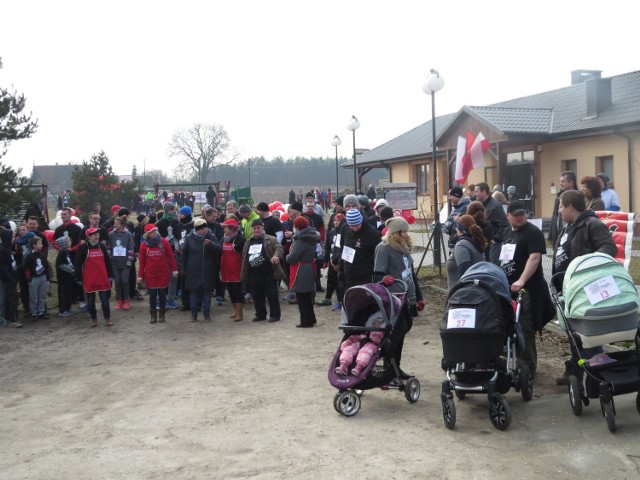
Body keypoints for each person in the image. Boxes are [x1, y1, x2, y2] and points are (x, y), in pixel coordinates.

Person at [551, 189, 618, 384]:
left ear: (571, 207)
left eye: (561, 207)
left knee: (587, 333)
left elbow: (609, 248)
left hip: (585, 289)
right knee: (574, 334)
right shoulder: (569, 226)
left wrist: (584, 266)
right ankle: (578, 369)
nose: (560, 211)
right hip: (569, 290)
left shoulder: (592, 224)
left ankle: (596, 376)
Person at [496, 200, 555, 378]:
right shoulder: (507, 232)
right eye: (516, 214)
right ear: (508, 216)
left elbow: (535, 258)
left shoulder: (533, 233)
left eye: (523, 213)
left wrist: (521, 280)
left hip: (528, 288)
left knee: (525, 326)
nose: (520, 217)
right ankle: (507, 360)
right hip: (507, 287)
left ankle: (527, 368)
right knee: (506, 323)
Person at [372, 217, 424, 379]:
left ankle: (395, 368)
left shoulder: (404, 249)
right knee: (394, 336)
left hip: (408, 297)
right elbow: (378, 275)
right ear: (394, 233)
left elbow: (411, 275)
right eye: (403, 231)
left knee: (402, 333)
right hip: (394, 299)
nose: (406, 234)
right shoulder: (384, 248)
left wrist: (418, 297)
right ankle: (389, 370)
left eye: (407, 231)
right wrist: (385, 279)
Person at [240, 219, 285, 323]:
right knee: (256, 295)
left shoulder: (271, 239)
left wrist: (276, 256)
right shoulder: (248, 241)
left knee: (272, 295)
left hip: (269, 272)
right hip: (253, 274)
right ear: (252, 229)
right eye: (254, 228)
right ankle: (260, 314)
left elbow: (279, 248)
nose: (256, 230)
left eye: (258, 228)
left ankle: (274, 315)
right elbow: (244, 256)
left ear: (262, 228)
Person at [180, 218, 221, 322]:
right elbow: (183, 254)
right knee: (193, 294)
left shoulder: (211, 236)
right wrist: (182, 267)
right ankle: (193, 315)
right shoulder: (189, 238)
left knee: (206, 294)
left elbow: (220, 249)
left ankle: (207, 315)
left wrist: (210, 244)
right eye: (202, 229)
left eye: (205, 228)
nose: (205, 230)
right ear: (197, 230)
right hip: (192, 271)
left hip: (207, 271)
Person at [138, 223, 177, 324]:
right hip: (150, 274)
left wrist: (174, 269)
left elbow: (171, 256)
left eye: (155, 230)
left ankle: (162, 314)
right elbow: (142, 262)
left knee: (162, 295)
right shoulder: (143, 245)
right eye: (152, 232)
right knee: (152, 295)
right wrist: (140, 276)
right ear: (147, 234)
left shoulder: (164, 242)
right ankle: (153, 315)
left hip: (163, 273)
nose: (155, 233)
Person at [286, 215, 321, 328]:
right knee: (307, 297)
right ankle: (311, 318)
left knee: (302, 298)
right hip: (309, 267)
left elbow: (292, 258)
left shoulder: (300, 240)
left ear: (297, 227)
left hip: (301, 270)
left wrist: (287, 256)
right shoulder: (311, 236)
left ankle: (306, 321)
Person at [334, 208, 382, 290]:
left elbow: (379, 255)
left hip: (365, 276)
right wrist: (341, 269)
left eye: (357, 225)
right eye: (352, 226)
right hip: (348, 274)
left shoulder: (372, 234)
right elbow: (342, 248)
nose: (355, 228)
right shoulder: (345, 228)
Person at [76, 228, 114, 327]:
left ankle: (107, 318)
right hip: (89, 278)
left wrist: (110, 275)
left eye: (98, 235)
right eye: (94, 235)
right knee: (91, 301)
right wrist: (79, 278)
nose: (97, 237)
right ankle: (93, 319)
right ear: (88, 237)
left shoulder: (101, 246)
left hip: (102, 277)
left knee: (105, 300)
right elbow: (78, 264)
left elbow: (107, 261)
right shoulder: (83, 248)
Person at [446, 214, 487, 290]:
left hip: (461, 295)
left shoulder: (462, 245)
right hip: (475, 291)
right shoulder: (476, 242)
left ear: (459, 229)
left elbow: (464, 273)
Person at [474, 182, 508, 264]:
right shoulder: (478, 204)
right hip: (482, 244)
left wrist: (496, 239)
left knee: (492, 268)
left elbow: (504, 224)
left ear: (484, 192)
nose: (475, 194)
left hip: (493, 245)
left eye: (477, 191)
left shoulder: (495, 206)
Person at [220, 218, 246, 322]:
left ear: (231, 228)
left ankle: (240, 314)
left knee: (238, 292)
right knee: (230, 292)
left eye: (225, 227)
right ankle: (236, 311)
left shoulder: (240, 239)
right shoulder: (224, 239)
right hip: (226, 270)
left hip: (236, 270)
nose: (224, 229)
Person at [107, 216, 135, 311]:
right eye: (114, 223)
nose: (115, 225)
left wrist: (129, 260)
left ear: (122, 225)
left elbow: (131, 248)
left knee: (124, 281)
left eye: (117, 224)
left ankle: (126, 300)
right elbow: (108, 247)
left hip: (125, 262)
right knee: (117, 282)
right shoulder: (111, 234)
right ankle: (119, 300)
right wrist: (110, 258)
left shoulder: (128, 235)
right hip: (115, 262)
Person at [317, 213, 344, 308]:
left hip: (340, 261)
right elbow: (328, 247)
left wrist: (337, 261)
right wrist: (325, 260)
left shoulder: (344, 232)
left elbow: (342, 248)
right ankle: (327, 298)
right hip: (332, 260)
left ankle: (340, 301)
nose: (336, 222)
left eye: (338, 220)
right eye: (335, 220)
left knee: (339, 281)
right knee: (330, 280)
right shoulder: (331, 232)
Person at [23, 236, 51, 321]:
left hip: (42, 277)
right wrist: (29, 278)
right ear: (34, 245)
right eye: (39, 244)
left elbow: (46, 267)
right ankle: (34, 313)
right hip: (34, 279)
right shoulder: (29, 256)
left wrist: (47, 278)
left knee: (42, 296)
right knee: (33, 297)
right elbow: (26, 268)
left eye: (41, 243)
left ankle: (41, 312)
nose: (41, 245)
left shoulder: (42, 255)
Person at [0, 226, 21, 327]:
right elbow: (2, 267)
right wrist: (10, 278)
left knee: (13, 298)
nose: (14, 238)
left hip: (12, 277)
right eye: (12, 236)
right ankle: (12, 319)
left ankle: (12, 316)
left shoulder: (8, 249)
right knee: (11, 299)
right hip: (8, 279)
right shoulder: (2, 250)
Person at [549, 171, 577, 245]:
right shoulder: (559, 197)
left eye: (563, 181)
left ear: (571, 183)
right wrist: (552, 235)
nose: (560, 184)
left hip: (571, 236)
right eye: (560, 181)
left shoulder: (577, 197)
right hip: (558, 235)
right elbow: (555, 217)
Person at [55, 236, 75, 317]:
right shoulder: (62, 253)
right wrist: (71, 270)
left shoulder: (66, 252)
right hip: (63, 278)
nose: (70, 242)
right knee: (63, 294)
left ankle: (68, 308)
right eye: (69, 241)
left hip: (68, 278)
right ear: (64, 243)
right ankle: (62, 310)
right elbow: (61, 265)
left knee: (68, 293)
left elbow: (69, 262)